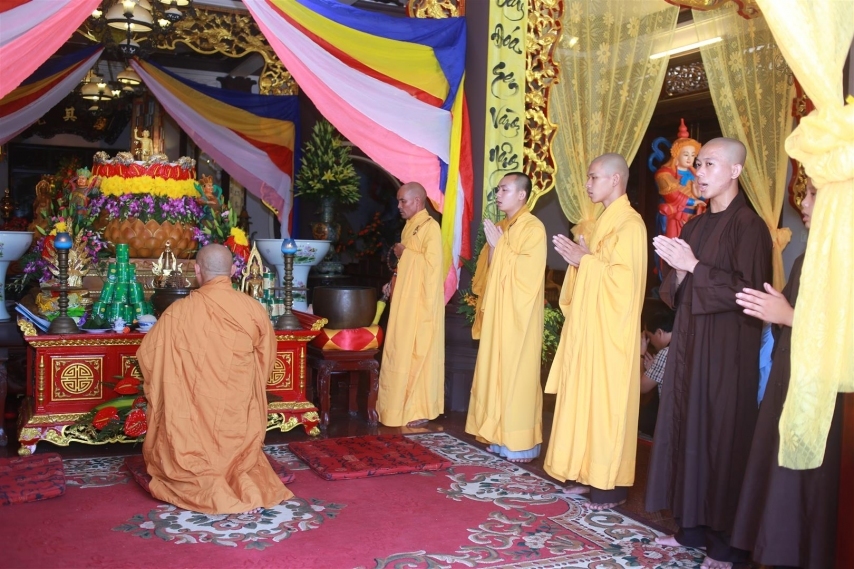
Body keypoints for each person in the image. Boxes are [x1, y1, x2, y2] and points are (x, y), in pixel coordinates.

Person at [646, 137, 772, 569]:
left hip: (727, 350)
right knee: (688, 429)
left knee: (721, 435)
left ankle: (726, 543)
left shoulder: (750, 227)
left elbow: (748, 291)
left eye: (709, 165)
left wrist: (695, 268)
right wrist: (683, 273)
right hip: (690, 346)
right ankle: (692, 527)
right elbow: (676, 292)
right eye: (697, 164)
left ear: (735, 171)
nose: (698, 172)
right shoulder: (695, 226)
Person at [730, 178, 842, 568]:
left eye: (813, 195)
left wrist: (790, 316)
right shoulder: (807, 258)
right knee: (779, 475)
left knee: (810, 485)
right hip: (792, 382)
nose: (803, 203)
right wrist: (781, 312)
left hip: (827, 399)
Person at [138, 244, 291, 514]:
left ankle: (198, 469)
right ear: (232, 271)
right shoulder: (252, 309)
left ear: (197, 270)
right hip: (236, 414)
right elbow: (266, 360)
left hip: (188, 419)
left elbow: (148, 357)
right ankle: (235, 468)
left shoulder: (176, 312)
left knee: (187, 425)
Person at [543, 153, 647, 509]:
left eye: (593, 177)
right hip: (591, 329)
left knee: (606, 406)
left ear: (615, 179)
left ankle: (609, 486)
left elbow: (624, 284)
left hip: (610, 335)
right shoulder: (604, 222)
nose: (587, 185)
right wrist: (583, 261)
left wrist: (584, 260)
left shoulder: (630, 226)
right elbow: (596, 268)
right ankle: (586, 474)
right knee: (586, 402)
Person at [465, 172, 547, 463]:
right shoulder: (500, 227)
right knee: (494, 374)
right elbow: (487, 275)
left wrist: (501, 247)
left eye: (504, 190)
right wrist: (495, 248)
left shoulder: (533, 228)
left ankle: (521, 444)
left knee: (517, 376)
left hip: (519, 317)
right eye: (497, 189)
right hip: (498, 313)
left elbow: (528, 275)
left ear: (522, 195)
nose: (498, 195)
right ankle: (497, 435)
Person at [376, 182, 444, 428]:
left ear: (417, 201)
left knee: (416, 353)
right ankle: (394, 406)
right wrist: (392, 281)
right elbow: (406, 267)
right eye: (398, 201)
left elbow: (433, 269)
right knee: (398, 352)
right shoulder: (410, 227)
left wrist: (406, 255)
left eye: (403, 201)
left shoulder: (430, 227)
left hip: (420, 306)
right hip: (404, 303)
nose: (399, 206)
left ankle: (418, 408)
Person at [654, 121, 705, 240]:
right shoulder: (664, 174)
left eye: (693, 155)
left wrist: (701, 197)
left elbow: (704, 196)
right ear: (677, 154)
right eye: (686, 154)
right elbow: (672, 195)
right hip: (675, 217)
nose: (690, 158)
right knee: (673, 245)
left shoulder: (697, 174)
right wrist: (693, 201)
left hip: (695, 217)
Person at [640, 307, 674, 397]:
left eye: (649, 337)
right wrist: (654, 369)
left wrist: (641, 354)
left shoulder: (665, 353)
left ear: (659, 333)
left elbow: (641, 387)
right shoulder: (681, 346)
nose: (650, 342)